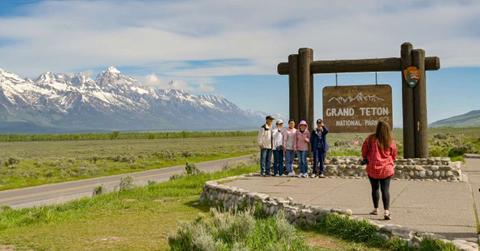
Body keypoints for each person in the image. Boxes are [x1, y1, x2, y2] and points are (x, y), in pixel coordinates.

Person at [361, 120, 397, 220]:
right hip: (386, 169)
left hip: (373, 168)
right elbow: (394, 154)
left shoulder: (370, 138)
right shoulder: (390, 140)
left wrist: (366, 158)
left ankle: (376, 209)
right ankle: (386, 211)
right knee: (385, 190)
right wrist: (390, 161)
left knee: (375, 189)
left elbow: (364, 150)